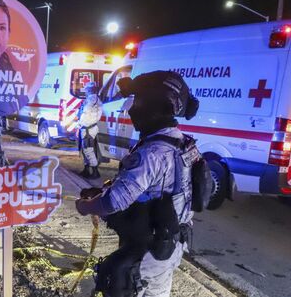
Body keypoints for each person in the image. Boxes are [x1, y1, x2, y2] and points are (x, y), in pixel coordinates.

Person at [75, 71, 200, 297]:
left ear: (154, 105)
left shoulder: (153, 152)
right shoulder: (182, 142)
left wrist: (84, 207)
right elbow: (154, 188)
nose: (132, 108)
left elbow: (115, 201)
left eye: (138, 101)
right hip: (170, 242)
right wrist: (103, 190)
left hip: (151, 250)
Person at [77, 81, 103, 179]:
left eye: (87, 90)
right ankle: (86, 170)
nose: (86, 91)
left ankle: (95, 172)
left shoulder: (90, 101)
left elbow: (84, 115)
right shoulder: (97, 100)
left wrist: (79, 125)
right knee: (86, 150)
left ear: (89, 90)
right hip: (92, 128)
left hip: (87, 129)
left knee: (88, 150)